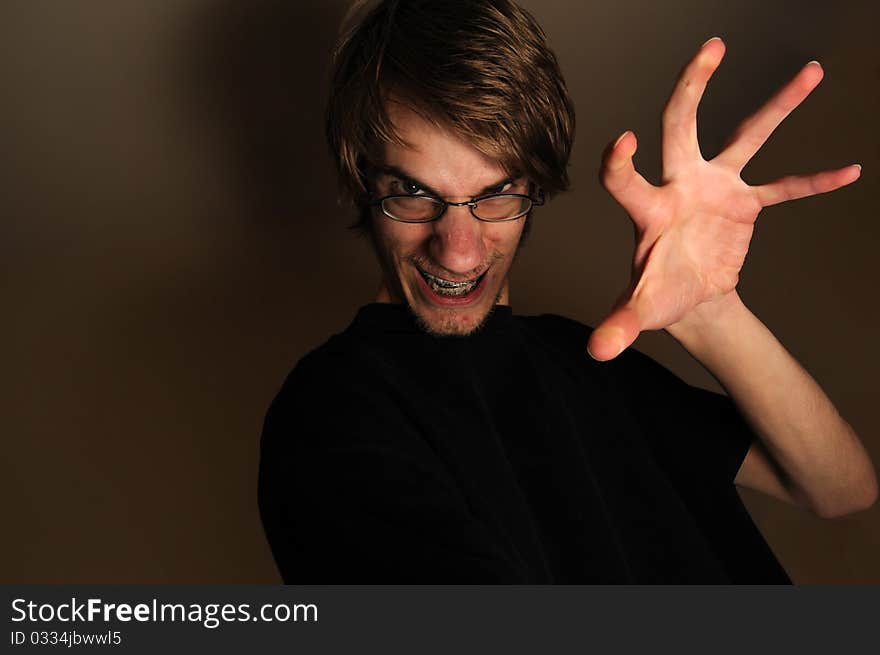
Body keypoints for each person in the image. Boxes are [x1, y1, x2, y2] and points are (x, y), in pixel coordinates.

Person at [258, 0, 877, 583]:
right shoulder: (333, 408)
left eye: (497, 194)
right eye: (414, 193)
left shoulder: (583, 360)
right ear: (361, 181)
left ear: (537, 190)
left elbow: (840, 487)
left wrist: (712, 311)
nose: (459, 249)